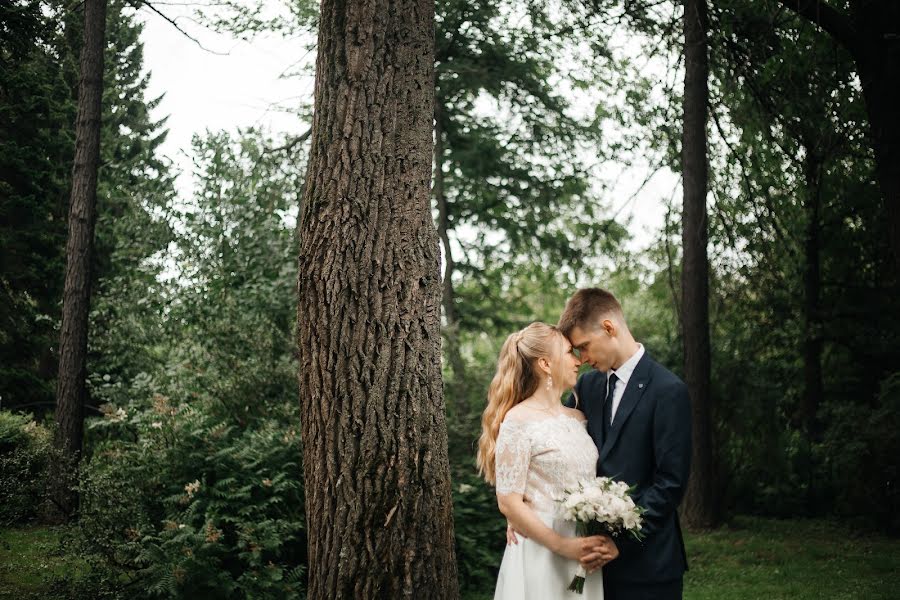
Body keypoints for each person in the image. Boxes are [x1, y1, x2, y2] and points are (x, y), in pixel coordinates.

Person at [557, 287, 692, 600]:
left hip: (649, 566)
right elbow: (554, 441)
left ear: (608, 327)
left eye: (585, 347)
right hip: (592, 569)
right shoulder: (586, 387)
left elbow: (670, 483)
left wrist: (622, 541)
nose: (583, 359)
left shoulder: (668, 390)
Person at [477, 322, 616, 599]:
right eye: (568, 353)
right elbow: (508, 501)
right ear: (545, 363)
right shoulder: (518, 420)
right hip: (541, 550)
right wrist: (563, 546)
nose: (578, 361)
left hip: (583, 546)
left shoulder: (578, 418)